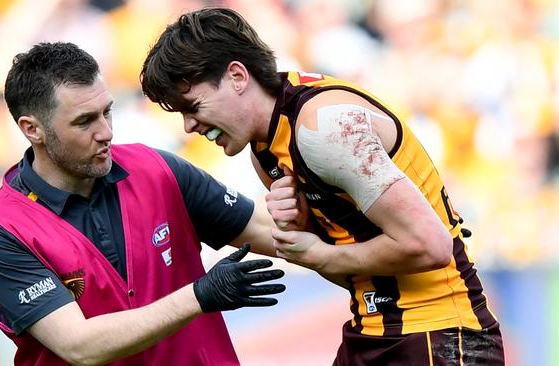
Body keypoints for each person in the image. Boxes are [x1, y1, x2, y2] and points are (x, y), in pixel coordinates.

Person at [140, 7, 504, 365]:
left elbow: (431, 246)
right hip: (373, 331)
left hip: (440, 334)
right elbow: (351, 273)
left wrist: (320, 253)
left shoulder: (324, 128)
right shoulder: (266, 150)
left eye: (193, 106)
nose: (189, 126)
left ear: (237, 76)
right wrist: (302, 231)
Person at [0, 41, 286, 366]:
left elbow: (274, 234)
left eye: (107, 111)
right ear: (32, 129)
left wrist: (325, 223)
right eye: (84, 121)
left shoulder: (158, 169)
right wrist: (199, 296)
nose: (106, 132)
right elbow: (79, 346)